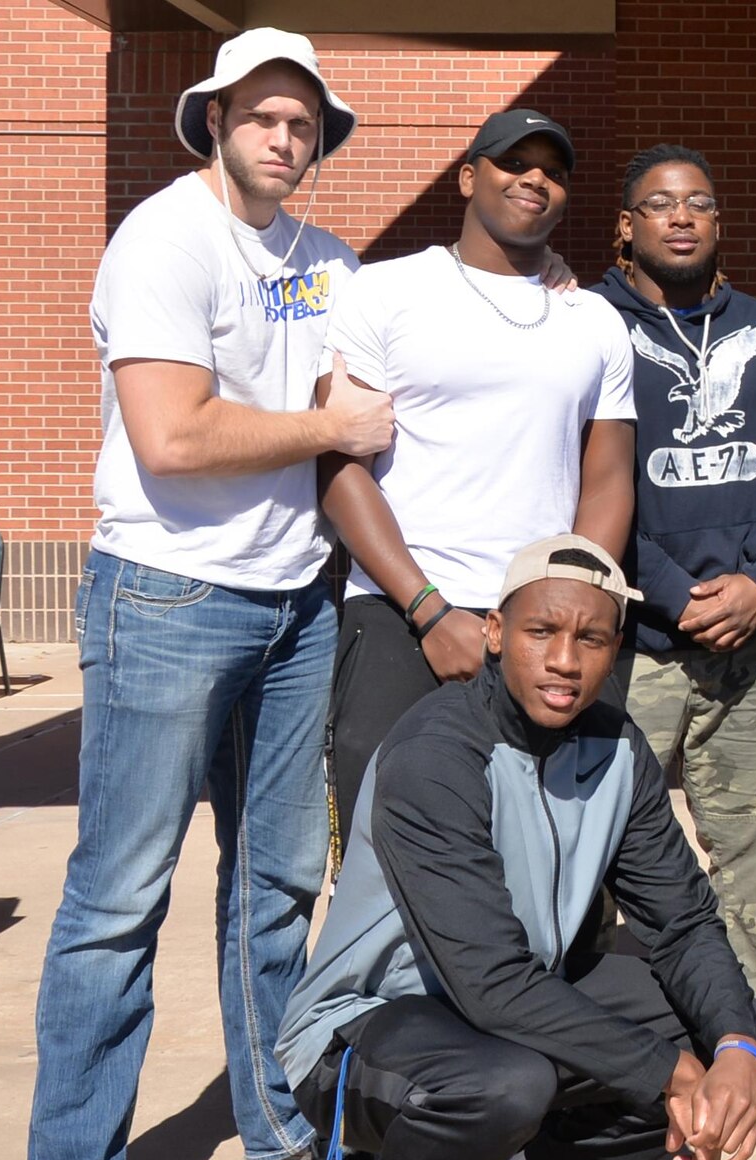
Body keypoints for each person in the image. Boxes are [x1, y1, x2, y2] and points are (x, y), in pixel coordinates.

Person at [26, 28, 391, 1160]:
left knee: (278, 877)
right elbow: (171, 436)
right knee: (118, 898)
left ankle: (272, 1106)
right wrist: (326, 424)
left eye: (305, 121)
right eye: (264, 114)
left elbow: (382, 392)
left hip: (296, 600)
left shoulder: (331, 263)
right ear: (215, 118)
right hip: (170, 598)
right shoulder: (162, 241)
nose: (285, 135)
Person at [276, 536, 756, 1160]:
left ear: (616, 649)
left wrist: (732, 1048)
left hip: (511, 1003)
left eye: (592, 639)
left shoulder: (614, 748)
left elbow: (684, 920)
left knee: (740, 1028)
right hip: (371, 1024)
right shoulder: (436, 754)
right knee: (506, 1081)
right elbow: (491, 986)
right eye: (544, 630)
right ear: (497, 631)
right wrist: (666, 1073)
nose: (565, 659)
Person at [595, 145, 756, 1106]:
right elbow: (578, 482)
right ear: (626, 225)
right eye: (659, 204)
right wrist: (666, 591)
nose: (681, 218)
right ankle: (610, 1033)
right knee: (598, 848)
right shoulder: (587, 325)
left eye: (700, 202)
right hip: (632, 643)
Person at [317, 108, 635, 875]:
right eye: (511, 162)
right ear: (468, 178)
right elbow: (339, 463)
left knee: (544, 855)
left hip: (539, 620)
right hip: (400, 611)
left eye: (552, 170)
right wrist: (428, 610)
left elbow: (608, 475)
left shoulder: (592, 317)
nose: (534, 179)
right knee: (385, 849)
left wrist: (571, 606)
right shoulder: (384, 290)